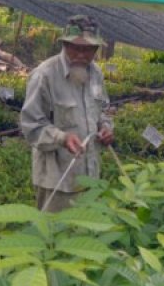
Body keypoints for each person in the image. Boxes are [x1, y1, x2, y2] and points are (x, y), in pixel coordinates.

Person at [20, 15, 114, 212]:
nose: (82, 54)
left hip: (90, 176)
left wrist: (106, 128)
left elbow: (104, 110)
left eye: (89, 49)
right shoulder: (44, 75)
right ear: (64, 44)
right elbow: (31, 125)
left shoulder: (96, 74)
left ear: (97, 49)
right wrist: (62, 138)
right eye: (76, 47)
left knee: (83, 235)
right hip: (57, 179)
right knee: (56, 235)